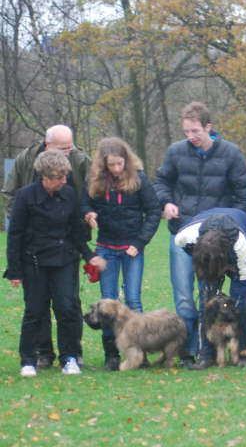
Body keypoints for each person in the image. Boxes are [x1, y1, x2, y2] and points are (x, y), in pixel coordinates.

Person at [153, 102, 246, 365]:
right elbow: (161, 182)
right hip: (183, 234)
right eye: (186, 131)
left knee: (219, 293)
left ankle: (232, 350)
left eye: (195, 131)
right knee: (185, 297)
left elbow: (244, 195)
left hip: (218, 239)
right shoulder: (176, 152)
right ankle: (191, 351)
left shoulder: (231, 153)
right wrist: (166, 202)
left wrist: (229, 226)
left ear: (209, 127)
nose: (191, 136)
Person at [4, 150, 106, 377]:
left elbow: (76, 230)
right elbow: (15, 235)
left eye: (65, 176)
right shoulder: (25, 196)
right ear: (45, 177)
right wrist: (15, 271)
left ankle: (69, 357)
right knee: (35, 310)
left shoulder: (69, 194)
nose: (63, 181)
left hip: (64, 259)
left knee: (67, 308)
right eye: (59, 178)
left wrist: (89, 256)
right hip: (34, 260)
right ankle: (28, 359)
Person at [81, 137, 161, 370]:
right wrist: (89, 214)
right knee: (107, 301)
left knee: (133, 299)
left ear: (126, 160)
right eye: (111, 165)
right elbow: (84, 204)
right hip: (106, 247)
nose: (116, 169)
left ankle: (140, 353)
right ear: (103, 164)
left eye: (119, 164)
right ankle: (112, 355)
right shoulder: (95, 180)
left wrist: (140, 242)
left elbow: (153, 211)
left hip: (131, 249)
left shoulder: (139, 179)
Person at [174, 207, 246, 369]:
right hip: (204, 253)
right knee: (206, 302)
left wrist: (235, 304)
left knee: (242, 304)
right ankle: (206, 355)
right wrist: (207, 270)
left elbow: (244, 277)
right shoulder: (185, 236)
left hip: (239, 246)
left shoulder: (240, 244)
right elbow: (187, 250)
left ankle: (243, 354)